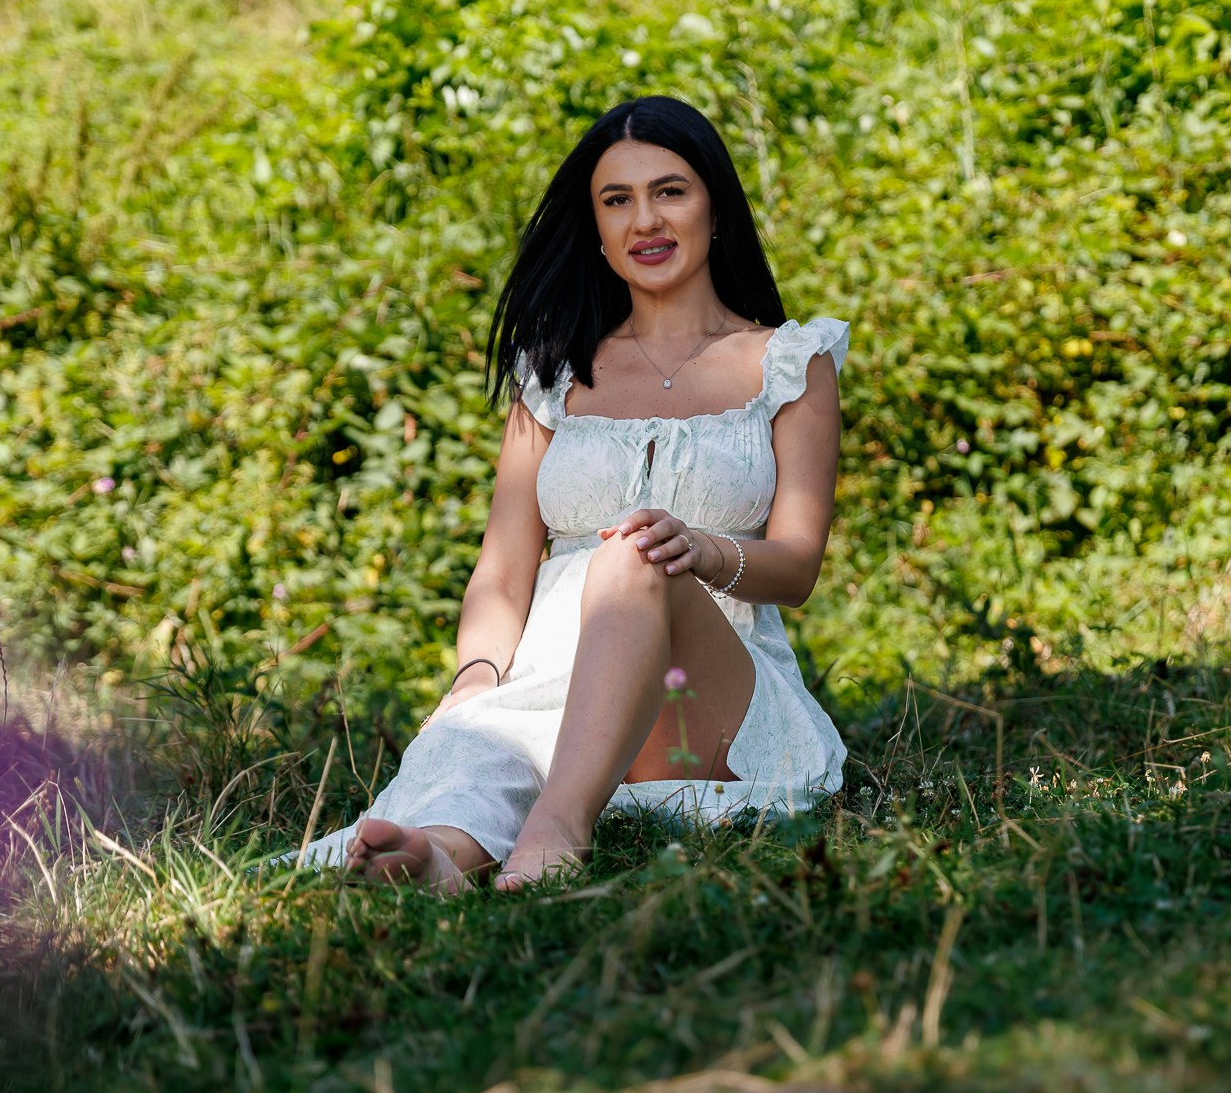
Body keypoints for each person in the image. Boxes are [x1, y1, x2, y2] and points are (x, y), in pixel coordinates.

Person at [299, 95, 849, 891]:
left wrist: (698, 549)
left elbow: (797, 566)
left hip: (706, 697)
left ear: (716, 206)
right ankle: (439, 858)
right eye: (617, 200)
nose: (645, 221)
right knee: (488, 743)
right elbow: (501, 569)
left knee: (635, 555)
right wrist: (476, 679)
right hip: (551, 685)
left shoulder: (790, 361)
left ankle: (557, 827)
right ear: (595, 227)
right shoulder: (554, 372)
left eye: (670, 191)